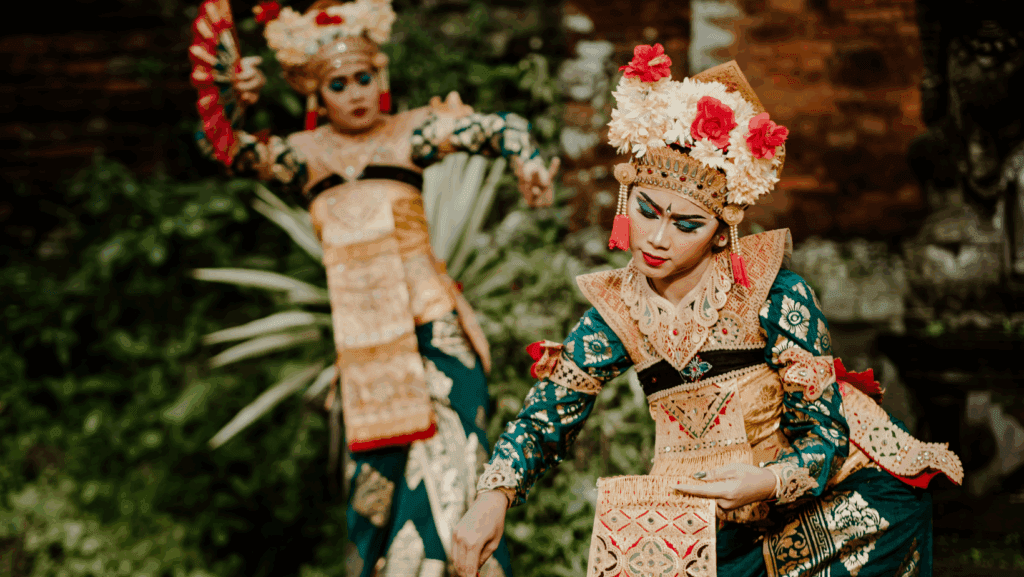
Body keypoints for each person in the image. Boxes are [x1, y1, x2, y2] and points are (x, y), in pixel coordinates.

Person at [451, 45, 963, 577]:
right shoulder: (618, 311)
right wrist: (494, 497)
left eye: (686, 225)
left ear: (722, 233)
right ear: (628, 199)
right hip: (719, 515)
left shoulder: (776, 296)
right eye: (647, 211)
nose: (657, 238)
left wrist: (766, 480)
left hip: (836, 495)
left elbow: (824, 438)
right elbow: (548, 413)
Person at [189, 0, 560, 575]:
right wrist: (236, 99)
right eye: (338, 84)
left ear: (380, 78)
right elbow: (221, 147)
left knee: (454, 482)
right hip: (365, 357)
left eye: (364, 78)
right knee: (374, 504)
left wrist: (528, 161)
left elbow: (501, 127)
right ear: (317, 93)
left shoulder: (410, 134)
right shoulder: (302, 155)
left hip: (434, 333)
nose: (355, 93)